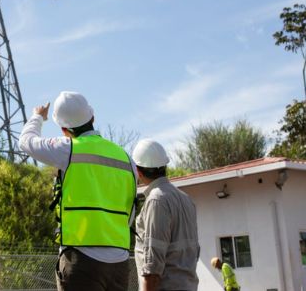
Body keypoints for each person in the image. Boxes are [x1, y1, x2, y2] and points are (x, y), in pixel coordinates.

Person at [19, 91, 137, 291]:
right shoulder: (126, 158)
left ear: (64, 129)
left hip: (81, 258)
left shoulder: (67, 149)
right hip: (119, 261)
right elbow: (131, 209)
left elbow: (25, 141)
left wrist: (38, 116)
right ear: (93, 118)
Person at [132, 139, 199, 291]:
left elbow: (153, 264)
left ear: (138, 171)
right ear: (165, 167)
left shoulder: (157, 200)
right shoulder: (186, 199)